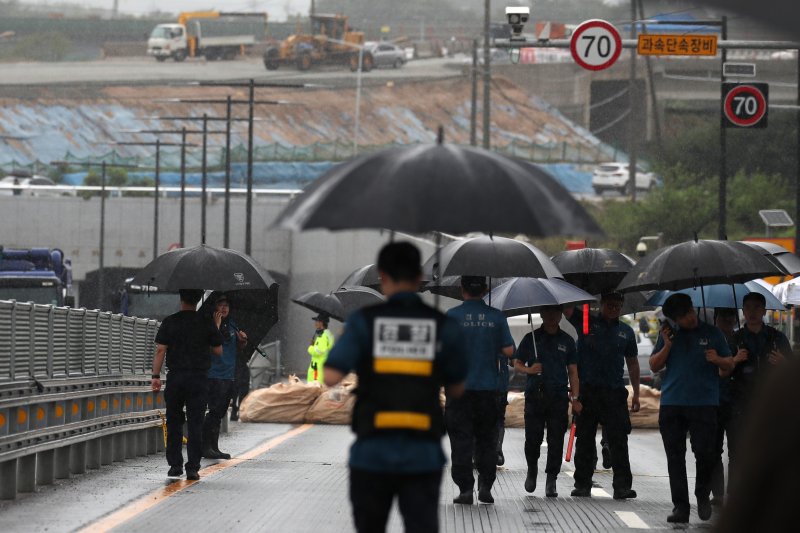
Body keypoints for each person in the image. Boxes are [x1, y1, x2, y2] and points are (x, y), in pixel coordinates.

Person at [323, 242, 466, 533]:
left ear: (382, 276)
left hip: (372, 453)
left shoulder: (364, 322)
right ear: (418, 278)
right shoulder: (441, 325)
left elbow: (330, 375)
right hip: (422, 454)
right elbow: (458, 387)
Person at [649, 293, 733, 523]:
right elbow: (654, 365)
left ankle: (702, 494)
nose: (691, 317)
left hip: (704, 403)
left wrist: (717, 359)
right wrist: (667, 345)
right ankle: (681, 507)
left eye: (691, 311)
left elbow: (729, 365)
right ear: (675, 318)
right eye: (685, 315)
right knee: (675, 457)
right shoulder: (669, 335)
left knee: (706, 453)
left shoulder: (712, 333)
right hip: (673, 403)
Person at [446, 275, 515, 505]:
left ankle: (465, 489)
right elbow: (508, 350)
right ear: (486, 289)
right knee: (487, 440)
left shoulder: (452, 317)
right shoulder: (496, 317)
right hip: (488, 390)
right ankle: (486, 486)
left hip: (459, 391)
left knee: (461, 440)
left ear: (461, 288)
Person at [571, 291, 640, 500]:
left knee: (619, 440)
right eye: (609, 305)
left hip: (614, 392)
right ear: (601, 304)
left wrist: (636, 393)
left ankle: (622, 487)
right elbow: (568, 311)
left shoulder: (626, 332)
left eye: (618, 306)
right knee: (584, 439)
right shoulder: (586, 324)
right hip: (588, 392)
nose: (613, 309)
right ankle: (582, 484)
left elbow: (633, 363)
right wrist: (582, 291)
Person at [151, 289, 223, 481]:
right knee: (196, 423)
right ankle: (192, 467)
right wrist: (215, 327)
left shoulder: (170, 321)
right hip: (199, 379)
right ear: (199, 300)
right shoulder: (206, 322)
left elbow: (160, 350)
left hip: (176, 378)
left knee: (174, 421)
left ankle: (175, 465)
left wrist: (155, 376)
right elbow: (218, 351)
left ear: (181, 299)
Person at [725, 292, 792, 489]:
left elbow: (792, 372)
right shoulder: (734, 339)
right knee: (736, 452)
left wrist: (783, 363)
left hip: (770, 405)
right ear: (743, 311)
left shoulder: (777, 338)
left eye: (756, 307)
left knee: (769, 451)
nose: (752, 312)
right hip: (739, 404)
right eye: (748, 308)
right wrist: (734, 360)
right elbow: (721, 370)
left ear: (764, 310)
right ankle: (737, 496)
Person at [514, 304, 581, 498]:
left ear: (561, 315)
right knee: (532, 438)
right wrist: (529, 370)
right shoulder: (531, 339)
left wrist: (575, 398)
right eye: (548, 312)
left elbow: (573, 372)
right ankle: (532, 469)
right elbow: (517, 362)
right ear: (541, 314)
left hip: (558, 398)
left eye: (556, 312)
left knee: (556, 440)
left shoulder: (568, 341)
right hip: (535, 397)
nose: (552, 316)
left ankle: (552, 479)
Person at [202, 294, 247, 460]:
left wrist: (243, 341)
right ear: (214, 307)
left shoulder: (232, 325)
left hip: (229, 373)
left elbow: (236, 347)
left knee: (221, 412)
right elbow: (210, 345)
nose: (224, 308)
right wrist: (216, 326)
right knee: (214, 411)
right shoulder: (210, 324)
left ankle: (214, 446)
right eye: (220, 305)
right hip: (214, 373)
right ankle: (205, 446)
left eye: (226, 305)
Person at [711, 307, 744, 505]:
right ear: (716, 318)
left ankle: (735, 493)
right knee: (714, 450)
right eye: (723, 316)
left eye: (731, 316)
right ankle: (717, 493)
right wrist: (733, 360)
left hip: (737, 403)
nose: (728, 320)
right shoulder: (711, 340)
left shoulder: (741, 340)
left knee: (737, 450)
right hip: (714, 401)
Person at [307, 312, 334, 384]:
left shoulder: (323, 336)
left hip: (318, 370)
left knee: (316, 390)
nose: (315, 323)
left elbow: (318, 351)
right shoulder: (326, 335)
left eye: (317, 321)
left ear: (321, 323)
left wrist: (310, 347)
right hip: (320, 368)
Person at [495, 353, 511, 466]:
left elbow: (514, 359)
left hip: (500, 388)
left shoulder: (503, 336)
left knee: (499, 419)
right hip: (479, 386)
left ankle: (497, 451)